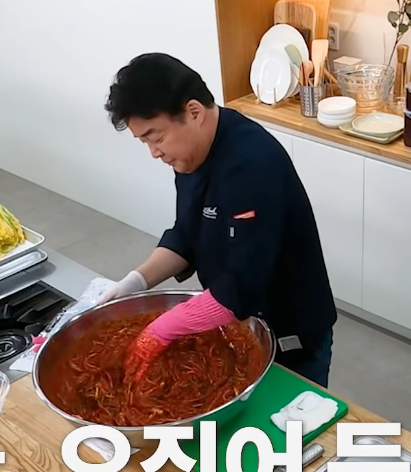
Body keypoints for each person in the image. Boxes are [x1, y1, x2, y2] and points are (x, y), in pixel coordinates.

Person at [101, 53, 337, 387]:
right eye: (145, 142)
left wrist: (161, 329)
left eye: (156, 138)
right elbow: (187, 234)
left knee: (289, 409)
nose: (154, 153)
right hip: (237, 319)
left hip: (290, 328)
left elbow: (241, 288)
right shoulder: (191, 153)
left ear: (194, 112)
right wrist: (135, 282)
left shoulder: (253, 164)